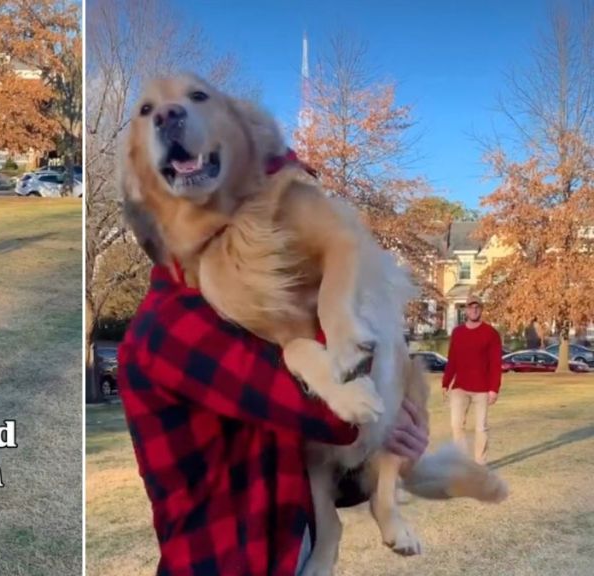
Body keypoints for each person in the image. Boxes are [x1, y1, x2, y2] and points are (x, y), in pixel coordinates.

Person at [117, 173, 429, 576]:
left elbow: (312, 454)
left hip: (284, 553)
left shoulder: (241, 310)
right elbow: (335, 417)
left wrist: (392, 447)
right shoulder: (176, 325)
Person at [442, 295, 503, 465]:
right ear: (466, 310)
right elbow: (452, 359)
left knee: (481, 428)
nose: (474, 310)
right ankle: (462, 463)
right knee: (456, 426)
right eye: (470, 307)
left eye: (477, 307)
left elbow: (495, 363)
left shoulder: (491, 333)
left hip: (482, 389)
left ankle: (479, 464)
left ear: (481, 310)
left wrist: (494, 389)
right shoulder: (458, 332)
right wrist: (446, 382)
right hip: (460, 388)